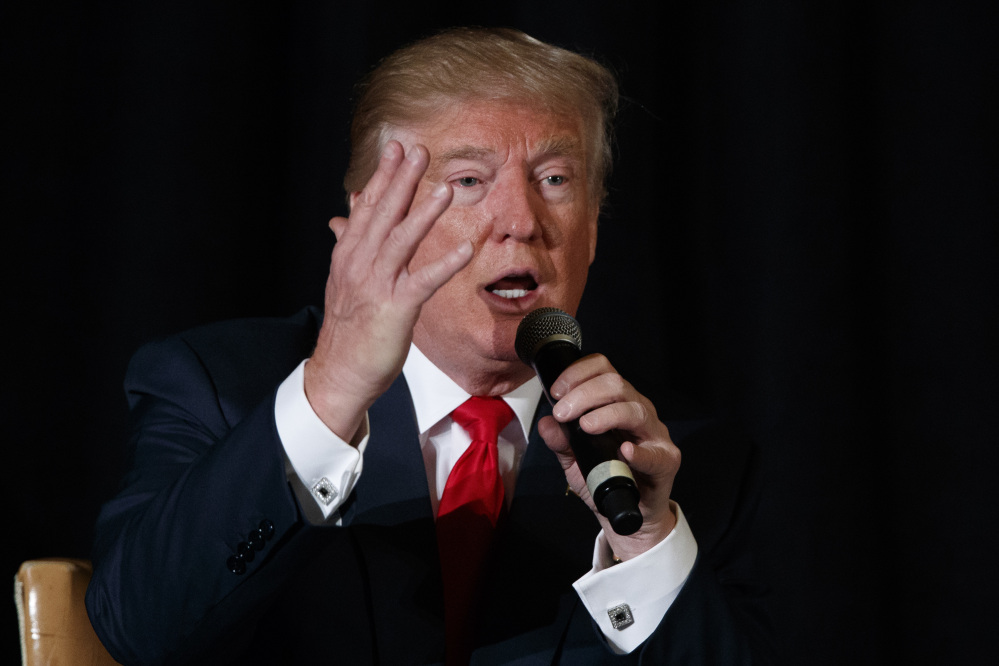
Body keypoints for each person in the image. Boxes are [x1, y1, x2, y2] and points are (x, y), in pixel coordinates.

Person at [86, 27, 773, 665]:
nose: (520, 220)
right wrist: (330, 394)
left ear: (592, 225)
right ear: (373, 218)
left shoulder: (676, 459)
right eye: (470, 180)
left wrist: (645, 542)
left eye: (555, 180)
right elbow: (138, 631)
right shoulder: (219, 387)